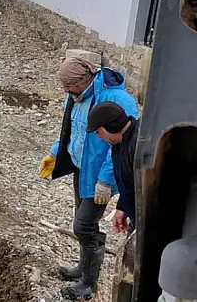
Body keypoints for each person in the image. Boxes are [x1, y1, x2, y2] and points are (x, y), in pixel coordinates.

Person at [38, 56, 138, 300]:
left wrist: (105, 180)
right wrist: (55, 152)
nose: (66, 92)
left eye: (69, 87)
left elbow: (120, 148)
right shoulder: (76, 97)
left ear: (84, 80)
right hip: (81, 169)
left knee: (84, 225)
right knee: (81, 222)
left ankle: (88, 284)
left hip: (100, 176)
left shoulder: (118, 100)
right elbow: (70, 130)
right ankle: (83, 269)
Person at [86, 101, 139, 236]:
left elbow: (145, 188)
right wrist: (123, 207)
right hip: (137, 217)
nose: (98, 136)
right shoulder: (120, 143)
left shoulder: (139, 146)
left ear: (111, 127)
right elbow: (129, 182)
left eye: (98, 131)